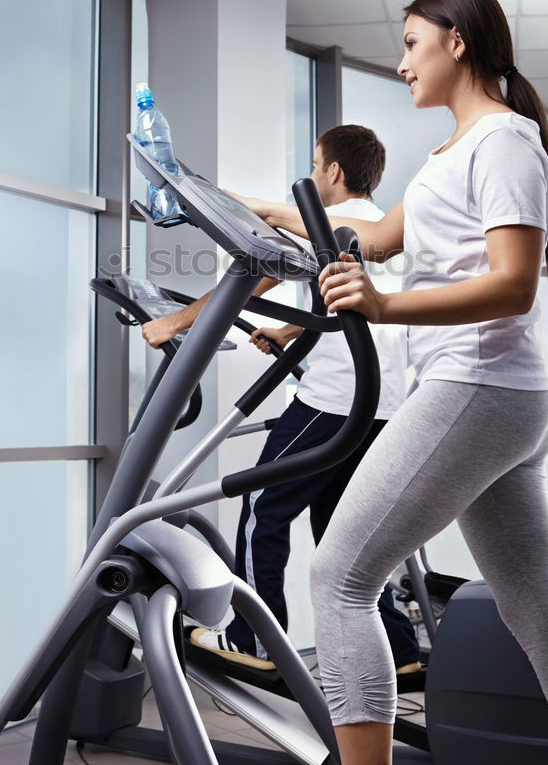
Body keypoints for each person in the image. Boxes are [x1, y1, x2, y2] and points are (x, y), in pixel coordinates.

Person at [232, 0, 548, 765]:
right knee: (538, 612)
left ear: (454, 42)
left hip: (476, 384)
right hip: (495, 394)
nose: (402, 63)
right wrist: (255, 208)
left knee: (338, 579)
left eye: (409, 44)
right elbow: (376, 237)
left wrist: (384, 311)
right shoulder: (452, 151)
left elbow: (514, 283)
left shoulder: (501, 140)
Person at [142, 125, 420, 675]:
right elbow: (352, 305)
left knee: (261, 511)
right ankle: (402, 653)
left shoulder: (327, 228)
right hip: (384, 407)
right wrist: (292, 334)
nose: (314, 176)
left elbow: (253, 283)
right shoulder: (382, 231)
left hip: (332, 402)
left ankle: (252, 642)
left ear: (334, 172)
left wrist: (172, 322)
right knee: (345, 535)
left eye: (317, 166)